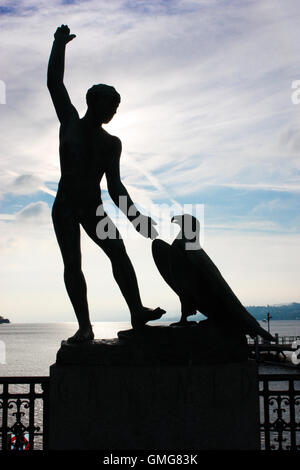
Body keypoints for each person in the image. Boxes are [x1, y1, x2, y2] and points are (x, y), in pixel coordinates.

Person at [47, 25, 165, 343]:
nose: (114, 111)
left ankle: (136, 311)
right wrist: (59, 44)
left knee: (118, 250)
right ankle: (85, 327)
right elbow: (54, 83)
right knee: (73, 262)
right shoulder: (70, 123)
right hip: (66, 206)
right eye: (110, 105)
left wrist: (136, 217)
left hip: (93, 206)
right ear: (94, 102)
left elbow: (115, 187)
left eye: (116, 107)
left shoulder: (111, 143)